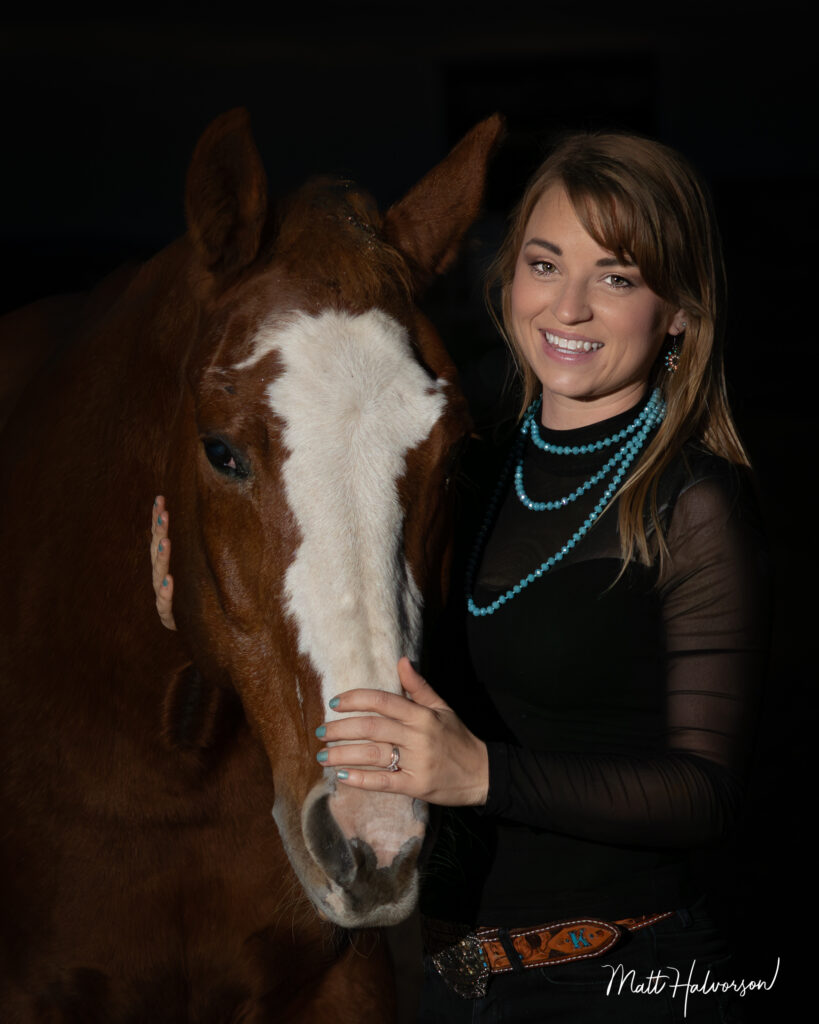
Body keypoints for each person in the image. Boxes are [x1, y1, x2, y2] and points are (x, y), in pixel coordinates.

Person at [150, 131, 770, 1022]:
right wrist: (198, 606)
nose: (570, 306)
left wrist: (482, 775)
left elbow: (706, 793)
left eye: (617, 277)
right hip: (457, 980)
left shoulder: (694, 505)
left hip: (621, 974)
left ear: (676, 311)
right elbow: (348, 623)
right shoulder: (465, 476)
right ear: (506, 277)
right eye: (545, 262)